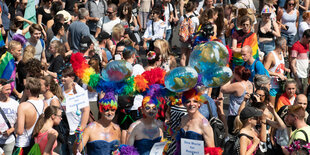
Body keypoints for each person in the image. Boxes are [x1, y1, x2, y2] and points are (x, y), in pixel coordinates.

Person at [174, 88, 214, 155]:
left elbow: (211, 149)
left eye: (195, 101)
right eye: (188, 101)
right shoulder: (183, 119)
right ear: (184, 104)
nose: (191, 104)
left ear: (199, 104)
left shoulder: (204, 123)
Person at [60, 66, 90, 155]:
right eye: (62, 76)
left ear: (72, 77)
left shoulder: (79, 90)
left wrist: (81, 127)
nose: (62, 78)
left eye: (65, 76)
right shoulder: (60, 88)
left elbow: (86, 110)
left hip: (75, 129)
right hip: (64, 128)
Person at [15, 77, 47, 155]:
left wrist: (15, 126)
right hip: (36, 144)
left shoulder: (23, 106)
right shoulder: (44, 103)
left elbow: (19, 131)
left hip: (22, 145)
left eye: (25, 88)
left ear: (28, 90)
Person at [221, 66, 253, 134]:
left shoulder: (238, 85)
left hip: (235, 115)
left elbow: (223, 89)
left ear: (237, 75)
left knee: (233, 135)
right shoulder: (250, 84)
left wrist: (231, 78)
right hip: (246, 114)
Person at [264, 37, 290, 105]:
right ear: (282, 45)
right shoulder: (271, 55)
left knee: (278, 107)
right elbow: (264, 70)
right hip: (272, 86)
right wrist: (277, 75)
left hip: (280, 85)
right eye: (285, 44)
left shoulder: (281, 54)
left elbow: (279, 66)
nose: (286, 46)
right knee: (271, 107)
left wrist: (286, 69)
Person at [0, 79, 19, 155]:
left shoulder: (15, 104)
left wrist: (12, 130)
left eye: (10, 89)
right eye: (6, 89)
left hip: (9, 140)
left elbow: (19, 122)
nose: (9, 92)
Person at [179, 1, 199, 66]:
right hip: (191, 39)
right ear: (193, 8)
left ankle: (183, 70)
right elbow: (197, 29)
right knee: (189, 56)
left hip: (183, 38)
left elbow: (180, 27)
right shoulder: (195, 19)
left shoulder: (182, 17)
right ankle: (188, 70)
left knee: (183, 56)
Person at [290, 29, 310, 94]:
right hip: (299, 77)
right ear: (304, 36)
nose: (309, 42)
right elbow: (292, 64)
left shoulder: (307, 45)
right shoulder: (296, 46)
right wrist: (297, 79)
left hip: (305, 76)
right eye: (309, 40)